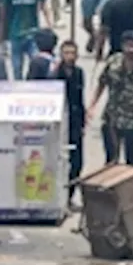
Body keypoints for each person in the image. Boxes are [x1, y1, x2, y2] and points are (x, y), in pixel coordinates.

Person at [88, 30, 133, 166]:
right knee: (110, 160)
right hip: (111, 118)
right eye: (128, 45)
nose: (131, 50)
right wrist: (92, 106)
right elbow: (102, 82)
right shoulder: (114, 61)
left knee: (131, 163)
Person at [54, 40, 87, 207]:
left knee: (77, 162)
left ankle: (69, 196)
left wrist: (82, 122)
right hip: (60, 122)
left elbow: (80, 99)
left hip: (75, 122)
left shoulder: (79, 73)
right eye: (66, 53)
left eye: (72, 53)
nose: (70, 57)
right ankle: (59, 197)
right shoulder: (55, 74)